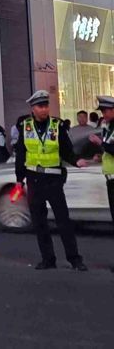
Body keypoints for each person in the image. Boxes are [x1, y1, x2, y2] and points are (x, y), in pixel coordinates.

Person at [14, 90, 86, 271]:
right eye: (40, 106)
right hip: (34, 179)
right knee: (40, 222)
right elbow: (21, 154)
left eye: (46, 106)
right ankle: (48, 259)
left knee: (63, 221)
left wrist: (76, 160)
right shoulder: (25, 126)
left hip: (53, 179)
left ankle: (75, 259)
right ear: (33, 108)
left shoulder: (57, 125)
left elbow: (66, 150)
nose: (44, 110)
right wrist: (19, 180)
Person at [80, 94, 114, 268]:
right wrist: (100, 157)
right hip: (110, 179)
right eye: (102, 111)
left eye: (105, 111)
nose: (103, 115)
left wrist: (100, 143)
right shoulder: (108, 127)